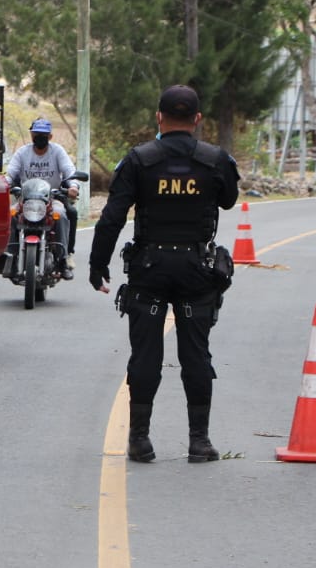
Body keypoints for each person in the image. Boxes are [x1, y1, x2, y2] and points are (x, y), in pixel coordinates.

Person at [88, 85, 240, 463]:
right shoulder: (214, 159)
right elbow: (229, 199)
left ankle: (140, 440)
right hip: (195, 271)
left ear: (158, 117)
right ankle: (199, 442)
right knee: (196, 356)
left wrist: (97, 265)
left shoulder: (139, 160)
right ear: (198, 120)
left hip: (150, 270)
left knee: (145, 355)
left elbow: (111, 217)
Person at [5, 117, 79, 279]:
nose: (40, 137)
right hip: (26, 199)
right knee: (10, 214)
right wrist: (4, 184)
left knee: (62, 216)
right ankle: (10, 257)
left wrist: (73, 186)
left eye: (44, 135)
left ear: (50, 137)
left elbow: (69, 171)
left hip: (52, 199)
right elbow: (10, 173)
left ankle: (62, 259)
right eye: (36, 134)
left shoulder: (57, 151)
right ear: (31, 135)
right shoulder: (22, 153)